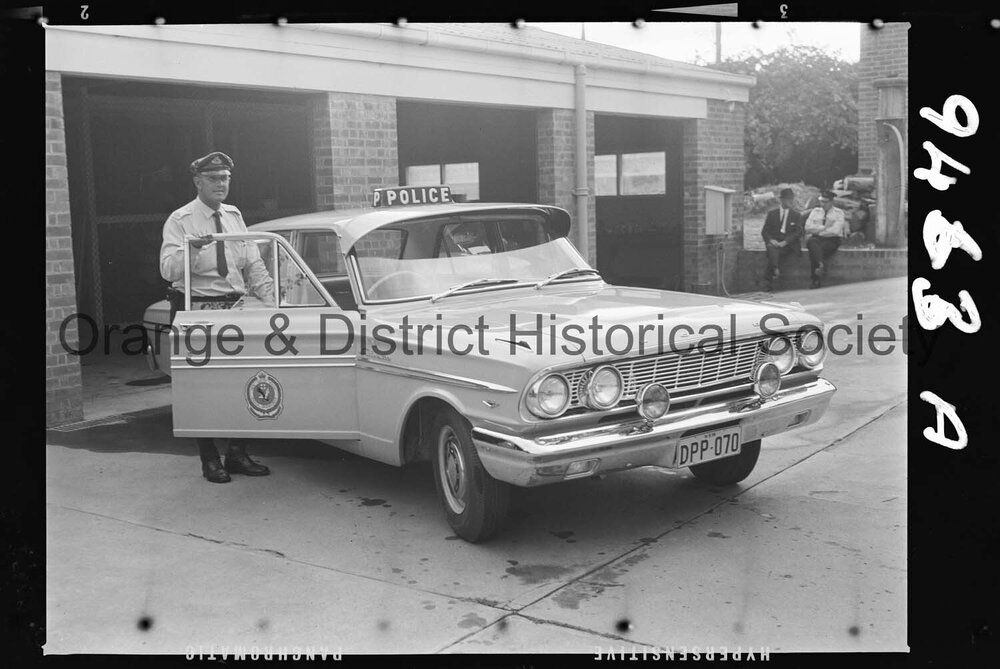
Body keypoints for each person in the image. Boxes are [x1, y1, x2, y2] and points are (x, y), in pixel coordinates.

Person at [159, 151, 276, 483]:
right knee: (201, 385)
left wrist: (273, 305)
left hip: (235, 309)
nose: (221, 184)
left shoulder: (235, 216)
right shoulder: (180, 219)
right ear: (198, 182)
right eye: (213, 179)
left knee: (244, 379)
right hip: (198, 309)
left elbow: (253, 265)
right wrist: (192, 248)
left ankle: (237, 453)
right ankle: (209, 459)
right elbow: (167, 270)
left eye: (225, 178)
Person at [760, 188, 804, 291]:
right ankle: (775, 268)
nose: (791, 202)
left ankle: (770, 276)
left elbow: (798, 232)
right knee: (772, 247)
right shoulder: (772, 214)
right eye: (788, 199)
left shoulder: (796, 215)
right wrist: (771, 240)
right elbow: (764, 231)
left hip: (789, 244)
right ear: (782, 200)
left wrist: (785, 242)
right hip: (775, 242)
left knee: (772, 251)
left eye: (792, 199)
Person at [803, 190, 848, 288]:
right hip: (816, 239)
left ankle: (815, 279)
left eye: (825, 202)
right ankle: (820, 264)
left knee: (816, 249)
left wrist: (817, 231)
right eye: (821, 201)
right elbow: (807, 228)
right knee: (811, 242)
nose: (822, 204)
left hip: (832, 240)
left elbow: (835, 231)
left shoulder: (839, 213)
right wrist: (824, 227)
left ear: (831, 202)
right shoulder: (815, 211)